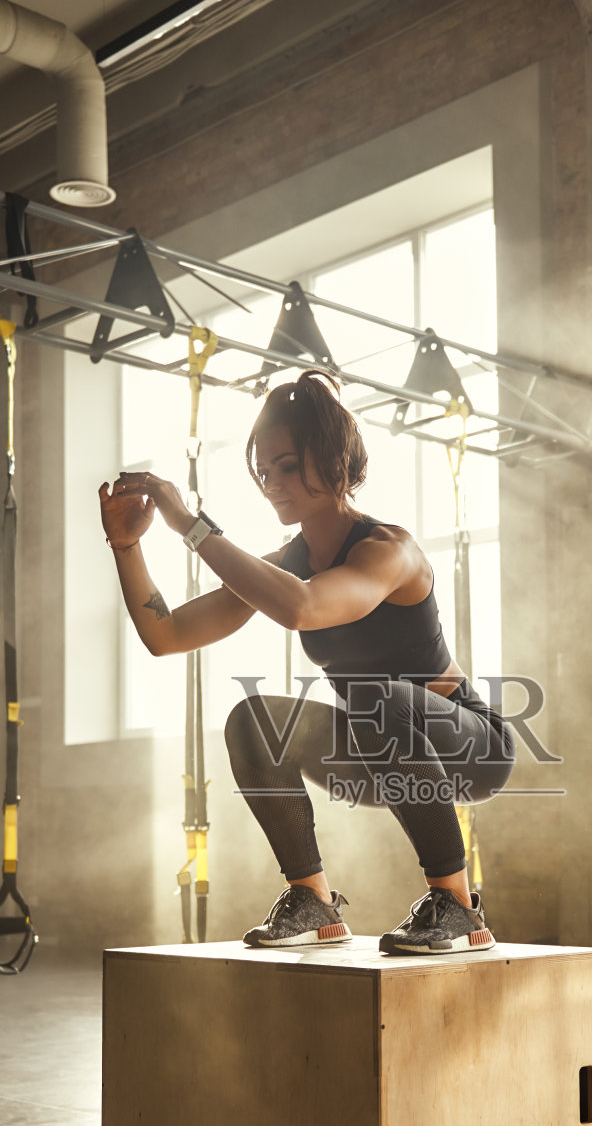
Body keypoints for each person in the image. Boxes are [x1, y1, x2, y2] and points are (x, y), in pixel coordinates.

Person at [98, 369, 514, 954]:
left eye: (287, 465)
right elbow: (165, 635)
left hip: (470, 747)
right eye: (264, 470)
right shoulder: (288, 559)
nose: (271, 482)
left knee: (378, 694)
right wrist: (127, 545)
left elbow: (302, 608)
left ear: (334, 459)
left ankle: (459, 907)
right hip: (380, 753)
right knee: (254, 721)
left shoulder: (387, 550)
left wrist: (190, 526)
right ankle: (313, 902)